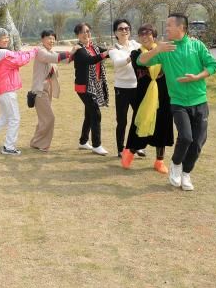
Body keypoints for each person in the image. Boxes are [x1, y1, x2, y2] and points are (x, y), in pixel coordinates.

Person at [138, 13, 216, 191]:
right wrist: (157, 49)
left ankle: (186, 173)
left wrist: (197, 76)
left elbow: (213, 66)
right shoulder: (165, 48)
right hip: (178, 102)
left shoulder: (197, 45)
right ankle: (175, 164)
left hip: (200, 101)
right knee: (186, 137)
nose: (166, 28)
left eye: (169, 25)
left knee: (198, 142)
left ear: (181, 27)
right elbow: (140, 61)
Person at [120, 24, 173, 174]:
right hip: (143, 95)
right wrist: (157, 50)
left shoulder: (165, 52)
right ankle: (130, 152)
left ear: (154, 36)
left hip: (163, 94)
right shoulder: (136, 53)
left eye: (147, 34)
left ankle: (159, 161)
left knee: (162, 125)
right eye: (141, 34)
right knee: (140, 124)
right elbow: (141, 63)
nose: (144, 36)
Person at [0, 27, 37, 155]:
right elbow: (20, 60)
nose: (6, 39)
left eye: (7, 37)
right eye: (2, 38)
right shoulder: (4, 54)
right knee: (14, 118)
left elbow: (16, 55)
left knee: (5, 117)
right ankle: (9, 147)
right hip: (6, 89)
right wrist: (33, 52)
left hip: (0, 89)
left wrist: (29, 52)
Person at [27, 29, 71, 152]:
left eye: (53, 38)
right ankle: (42, 144)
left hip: (48, 90)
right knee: (49, 118)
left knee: (44, 119)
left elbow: (66, 60)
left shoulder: (50, 51)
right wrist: (70, 51)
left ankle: (36, 142)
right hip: (39, 91)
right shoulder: (40, 52)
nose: (51, 41)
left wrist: (79, 54)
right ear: (42, 39)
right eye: (49, 38)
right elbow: (55, 58)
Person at [71, 22, 110, 156]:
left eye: (87, 31)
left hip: (94, 85)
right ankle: (96, 145)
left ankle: (83, 141)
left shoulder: (94, 47)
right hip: (84, 87)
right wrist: (106, 53)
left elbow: (106, 53)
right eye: (82, 32)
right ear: (78, 35)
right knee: (96, 114)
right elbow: (91, 60)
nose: (86, 34)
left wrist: (115, 51)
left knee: (89, 114)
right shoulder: (79, 50)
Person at [108, 19, 142, 158]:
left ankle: (137, 146)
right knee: (122, 121)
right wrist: (130, 57)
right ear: (115, 32)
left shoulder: (136, 45)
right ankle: (120, 149)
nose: (124, 31)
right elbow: (117, 63)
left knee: (139, 118)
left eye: (127, 28)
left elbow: (150, 49)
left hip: (137, 86)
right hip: (122, 88)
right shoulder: (114, 49)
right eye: (121, 29)